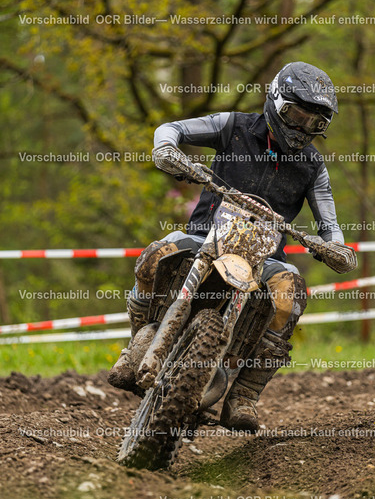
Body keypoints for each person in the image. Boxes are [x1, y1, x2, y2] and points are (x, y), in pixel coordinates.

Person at [109, 61, 356, 432]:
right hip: (203, 237)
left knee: (290, 296)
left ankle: (244, 394)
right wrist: (167, 149)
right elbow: (172, 128)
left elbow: (330, 225)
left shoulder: (312, 166)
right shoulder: (234, 127)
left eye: (315, 123)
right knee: (155, 256)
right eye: (297, 116)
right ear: (276, 101)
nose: (303, 128)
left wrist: (336, 247)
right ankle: (136, 344)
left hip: (265, 259)